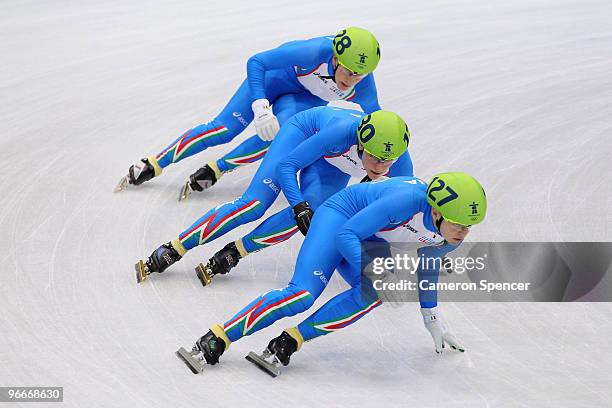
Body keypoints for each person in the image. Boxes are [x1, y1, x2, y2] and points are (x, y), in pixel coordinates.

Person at [175, 172, 487, 376]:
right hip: (339, 222)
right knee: (302, 295)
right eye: (459, 225)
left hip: (368, 238)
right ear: (435, 211)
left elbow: (428, 265)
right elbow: (346, 236)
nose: (464, 233)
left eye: (468, 227)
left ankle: (290, 341)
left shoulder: (449, 234)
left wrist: (431, 316)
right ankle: (218, 337)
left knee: (374, 292)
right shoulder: (405, 203)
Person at [135, 107, 413, 284]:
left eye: (388, 162)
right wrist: (297, 205)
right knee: (255, 205)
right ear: (361, 144)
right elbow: (287, 166)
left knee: (312, 215)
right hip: (303, 135)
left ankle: (237, 251)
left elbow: (394, 221)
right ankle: (176, 246)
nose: (381, 167)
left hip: (333, 165)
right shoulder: (341, 133)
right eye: (375, 159)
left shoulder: (399, 163)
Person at [115, 27, 382, 195]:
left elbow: (377, 127)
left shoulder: (364, 87)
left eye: (360, 75)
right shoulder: (313, 52)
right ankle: (155, 162)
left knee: (278, 138)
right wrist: (260, 105)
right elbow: (257, 61)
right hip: (274, 79)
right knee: (224, 129)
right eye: (348, 71)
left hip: (304, 100)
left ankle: (217, 169)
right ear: (335, 58)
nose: (351, 80)